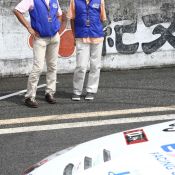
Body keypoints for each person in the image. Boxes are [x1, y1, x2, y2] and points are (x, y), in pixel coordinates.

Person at [13, 0, 62, 108]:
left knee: (52, 66)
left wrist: (57, 26)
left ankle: (50, 93)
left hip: (54, 37)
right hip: (40, 38)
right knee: (38, 67)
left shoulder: (55, 0)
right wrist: (29, 28)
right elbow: (17, 10)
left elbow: (59, 15)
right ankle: (29, 97)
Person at [67, 0, 107, 101]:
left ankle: (91, 90)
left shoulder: (100, 1)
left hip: (96, 36)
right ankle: (77, 91)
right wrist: (74, 35)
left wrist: (94, 28)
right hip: (81, 36)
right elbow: (72, 19)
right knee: (81, 66)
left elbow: (102, 18)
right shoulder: (74, 1)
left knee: (95, 65)